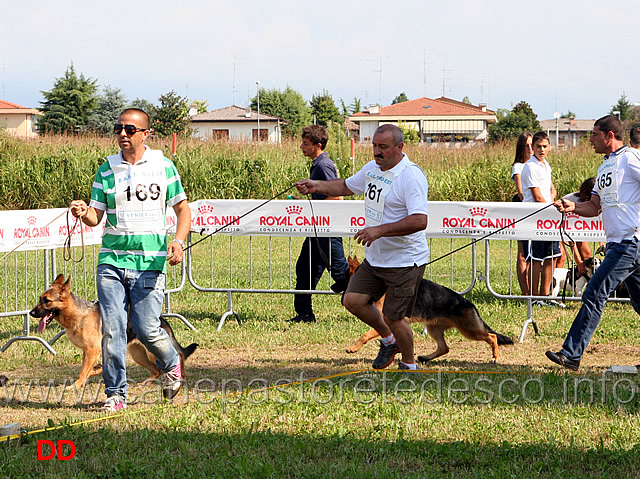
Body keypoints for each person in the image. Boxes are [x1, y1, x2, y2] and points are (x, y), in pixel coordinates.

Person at [70, 108, 192, 411]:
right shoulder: (106, 170)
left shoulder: (164, 167)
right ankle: (115, 396)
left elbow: (183, 210)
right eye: (118, 129)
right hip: (111, 262)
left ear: (145, 134)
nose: (123, 134)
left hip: (150, 263)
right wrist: (83, 212)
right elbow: (96, 217)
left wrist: (177, 242)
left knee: (147, 328)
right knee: (112, 328)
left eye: (130, 129)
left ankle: (172, 363)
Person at [295, 124, 429, 370]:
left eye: (383, 147)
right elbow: (346, 186)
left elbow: (420, 220)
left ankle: (409, 365)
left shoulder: (411, 176)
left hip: (404, 260)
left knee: (394, 316)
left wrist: (380, 230)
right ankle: (389, 341)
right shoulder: (372, 169)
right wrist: (316, 186)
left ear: (400, 147)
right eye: (375, 146)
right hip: (377, 258)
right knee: (352, 300)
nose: (377, 152)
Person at [546, 115, 640, 371]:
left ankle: (571, 354)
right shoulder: (604, 167)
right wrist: (572, 207)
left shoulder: (630, 159)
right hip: (621, 244)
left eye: (595, 135)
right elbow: (595, 206)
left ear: (610, 136)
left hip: (628, 242)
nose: (591, 140)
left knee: (594, 292)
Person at [288, 125, 349, 323]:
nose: (301, 147)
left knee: (341, 274)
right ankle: (305, 314)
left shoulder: (324, 165)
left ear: (318, 145)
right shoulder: (317, 164)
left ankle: (373, 306)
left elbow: (338, 197)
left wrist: (312, 205)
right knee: (304, 269)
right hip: (317, 229)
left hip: (328, 231)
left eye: (306, 144)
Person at [520, 131, 563, 306]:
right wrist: (551, 208)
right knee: (535, 259)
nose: (542, 149)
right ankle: (534, 296)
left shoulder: (546, 165)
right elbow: (537, 196)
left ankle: (546, 296)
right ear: (532, 147)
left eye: (545, 146)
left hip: (549, 218)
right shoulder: (530, 167)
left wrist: (554, 202)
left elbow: (550, 190)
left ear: (550, 147)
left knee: (551, 256)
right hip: (536, 217)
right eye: (538, 146)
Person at [561, 177, 598, 276]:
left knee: (587, 255)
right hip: (560, 228)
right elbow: (570, 238)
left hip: (578, 226)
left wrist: (601, 242)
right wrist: (578, 262)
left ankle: (589, 284)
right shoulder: (571, 200)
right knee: (561, 256)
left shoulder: (596, 201)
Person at [511, 132, 533, 295]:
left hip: (538, 210)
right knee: (523, 253)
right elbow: (521, 193)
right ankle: (526, 293)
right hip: (523, 210)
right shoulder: (518, 167)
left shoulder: (540, 165)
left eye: (532, 144)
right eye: (527, 145)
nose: (530, 149)